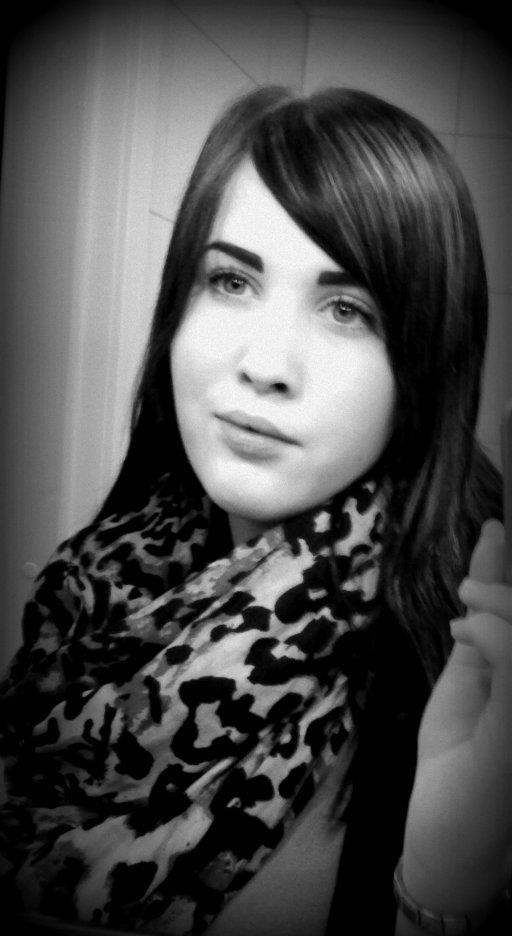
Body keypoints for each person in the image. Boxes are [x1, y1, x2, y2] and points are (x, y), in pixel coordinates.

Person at [0, 85, 511, 936]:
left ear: (424, 368)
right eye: (231, 280)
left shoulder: (460, 688)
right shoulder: (90, 587)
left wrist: (443, 893)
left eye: (347, 309)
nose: (265, 363)